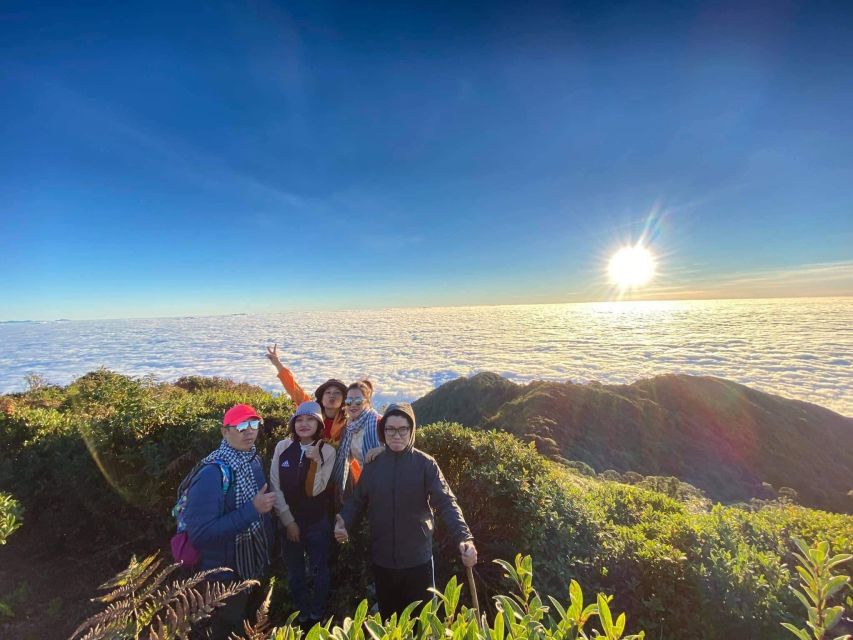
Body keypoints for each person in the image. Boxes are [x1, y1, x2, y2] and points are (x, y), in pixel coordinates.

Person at [333, 403, 477, 620]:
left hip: (418, 561)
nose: (396, 435)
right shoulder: (373, 465)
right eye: (390, 429)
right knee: (390, 623)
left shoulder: (425, 464)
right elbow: (357, 500)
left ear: (411, 431)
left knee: (422, 623)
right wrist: (344, 521)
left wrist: (464, 538)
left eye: (403, 429)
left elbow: (447, 502)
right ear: (383, 432)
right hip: (382, 561)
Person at [183, 404, 276, 639]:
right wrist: (252, 510)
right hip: (223, 575)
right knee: (227, 630)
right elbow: (201, 534)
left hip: (252, 564)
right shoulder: (212, 473)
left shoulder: (251, 459)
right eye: (241, 425)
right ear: (225, 432)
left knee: (247, 624)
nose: (249, 431)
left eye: (254, 424)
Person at [269, 401, 336, 627]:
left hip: (317, 523)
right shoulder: (283, 447)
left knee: (319, 570)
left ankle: (317, 616)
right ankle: (302, 614)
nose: (304, 424)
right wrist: (289, 522)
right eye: (299, 420)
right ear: (293, 423)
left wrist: (315, 461)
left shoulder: (328, 451)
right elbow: (274, 485)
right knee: (295, 572)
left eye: (310, 420)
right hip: (289, 523)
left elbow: (315, 489)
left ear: (318, 424)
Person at [266, 344, 348, 443]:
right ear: (321, 398)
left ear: (344, 399)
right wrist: (277, 363)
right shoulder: (311, 409)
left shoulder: (350, 420)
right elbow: (294, 389)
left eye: (337, 393)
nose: (332, 395)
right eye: (328, 392)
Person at [330, 380, 382, 504]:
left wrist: (383, 449)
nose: (353, 405)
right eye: (348, 401)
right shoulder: (349, 428)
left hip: (386, 482)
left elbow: (401, 448)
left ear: (367, 402)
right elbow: (344, 460)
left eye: (358, 401)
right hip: (366, 484)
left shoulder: (379, 423)